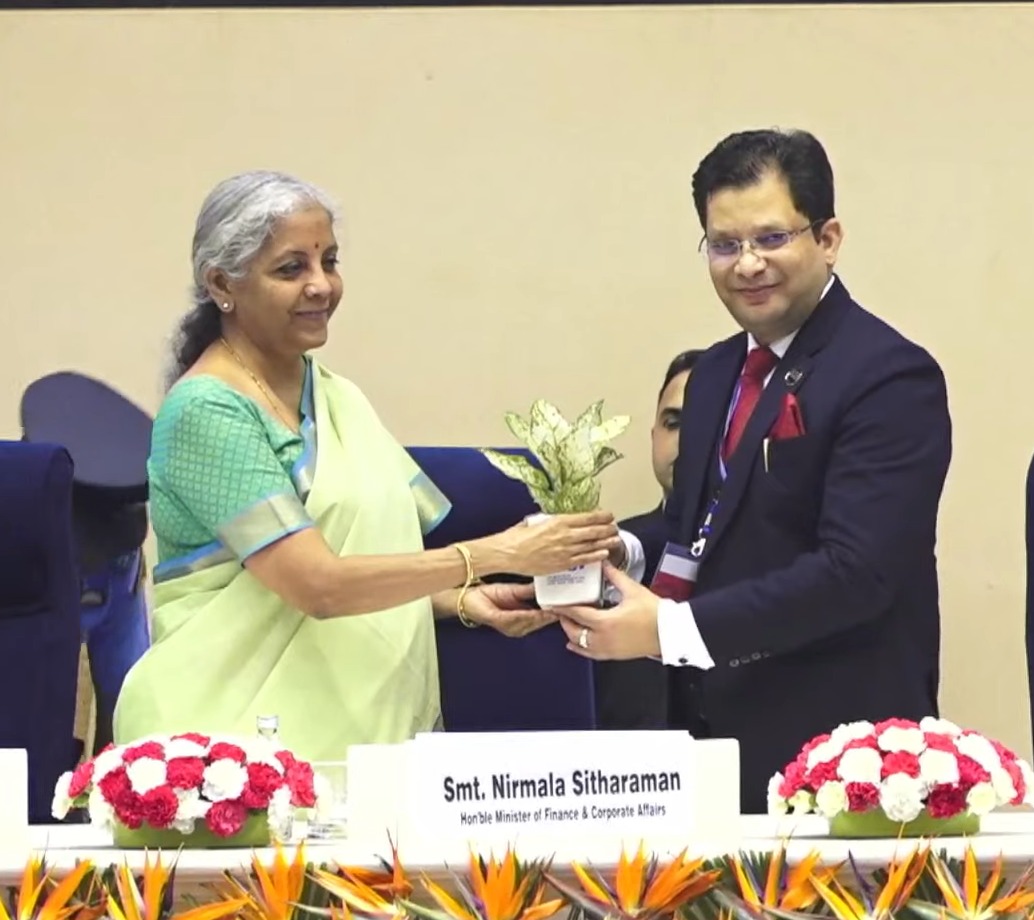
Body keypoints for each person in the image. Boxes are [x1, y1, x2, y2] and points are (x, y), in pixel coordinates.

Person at [113, 170, 624, 761]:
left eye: (328, 261)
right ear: (222, 283)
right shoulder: (206, 412)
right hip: (223, 755)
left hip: (352, 738)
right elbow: (316, 585)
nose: (321, 285)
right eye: (291, 269)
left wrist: (458, 601)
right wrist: (498, 556)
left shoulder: (338, 398)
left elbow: (359, 566)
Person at [558, 129, 952, 812]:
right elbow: (700, 521)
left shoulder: (889, 375)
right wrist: (612, 550)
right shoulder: (715, 371)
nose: (747, 265)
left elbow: (856, 572)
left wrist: (669, 631)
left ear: (827, 238)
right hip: (711, 743)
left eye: (771, 239)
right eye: (724, 244)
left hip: (840, 760)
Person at [593, 349, 700, 730]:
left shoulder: (789, 555)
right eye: (674, 423)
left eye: (707, 423)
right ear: (654, 436)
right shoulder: (612, 548)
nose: (687, 440)